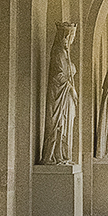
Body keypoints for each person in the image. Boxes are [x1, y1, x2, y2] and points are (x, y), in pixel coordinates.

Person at [41, 22, 78, 164]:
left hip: (66, 96)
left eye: (71, 39)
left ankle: (62, 155)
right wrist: (71, 88)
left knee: (66, 126)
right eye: (68, 38)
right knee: (58, 124)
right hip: (59, 95)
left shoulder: (65, 54)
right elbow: (58, 75)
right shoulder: (58, 52)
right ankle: (52, 156)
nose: (69, 41)